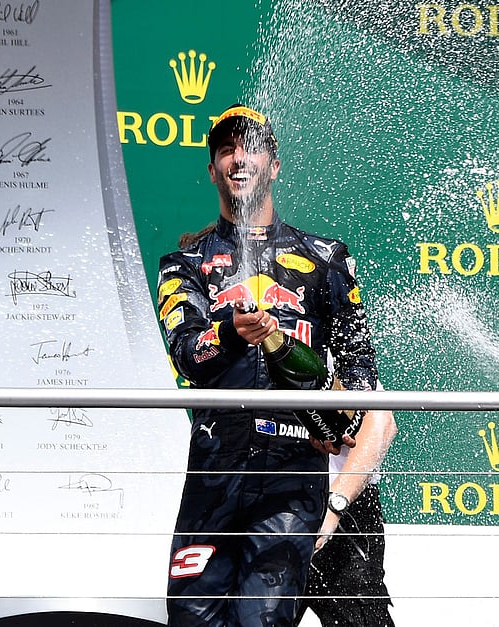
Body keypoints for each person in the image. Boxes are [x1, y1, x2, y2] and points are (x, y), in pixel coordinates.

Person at [157, 103, 382, 626]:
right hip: (214, 475)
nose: (240, 159)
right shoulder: (184, 264)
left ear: (274, 165)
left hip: (290, 479)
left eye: (252, 148)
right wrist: (231, 333)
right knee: (191, 620)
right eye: (227, 150)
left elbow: (362, 373)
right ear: (212, 169)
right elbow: (189, 356)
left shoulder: (326, 257)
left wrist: (340, 421)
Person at [298, 381, 398, 627]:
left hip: (343, 509)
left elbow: (382, 423)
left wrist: (334, 507)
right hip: (264, 511)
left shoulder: (338, 348)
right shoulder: (232, 352)